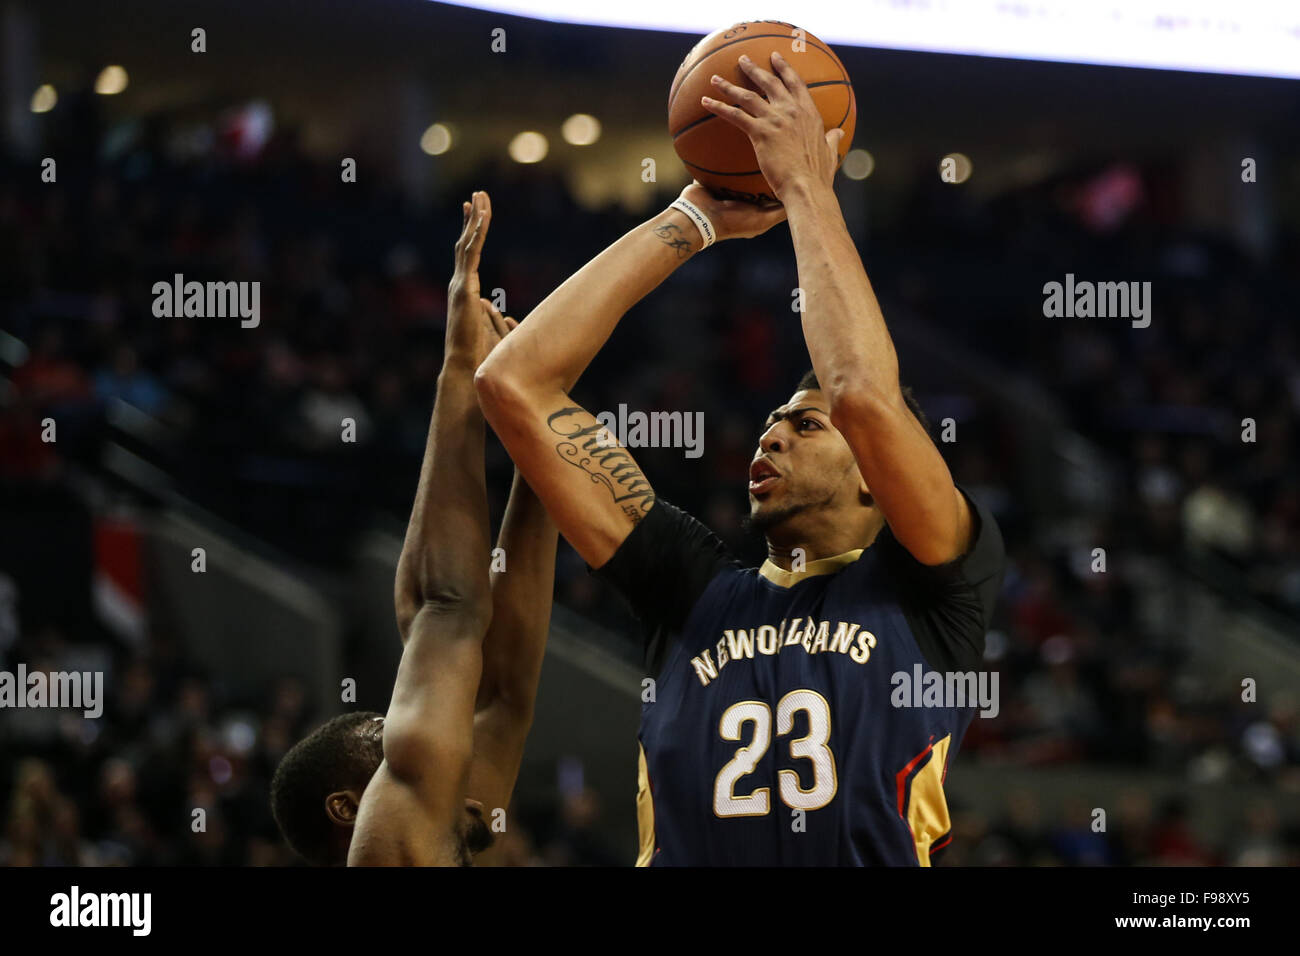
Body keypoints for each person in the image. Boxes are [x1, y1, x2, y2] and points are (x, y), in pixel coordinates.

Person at [475, 54, 1005, 865]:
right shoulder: (692, 588)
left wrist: (805, 189)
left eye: (802, 424)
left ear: (875, 467)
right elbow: (514, 383)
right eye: (769, 422)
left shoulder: (933, 584)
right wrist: (692, 220)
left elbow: (862, 395)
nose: (771, 435)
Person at [271, 192, 557, 866]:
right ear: (347, 806)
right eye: (385, 735)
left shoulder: (448, 827)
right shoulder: (390, 840)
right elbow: (446, 605)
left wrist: (538, 448)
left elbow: (506, 692)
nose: (422, 722)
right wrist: (460, 364)